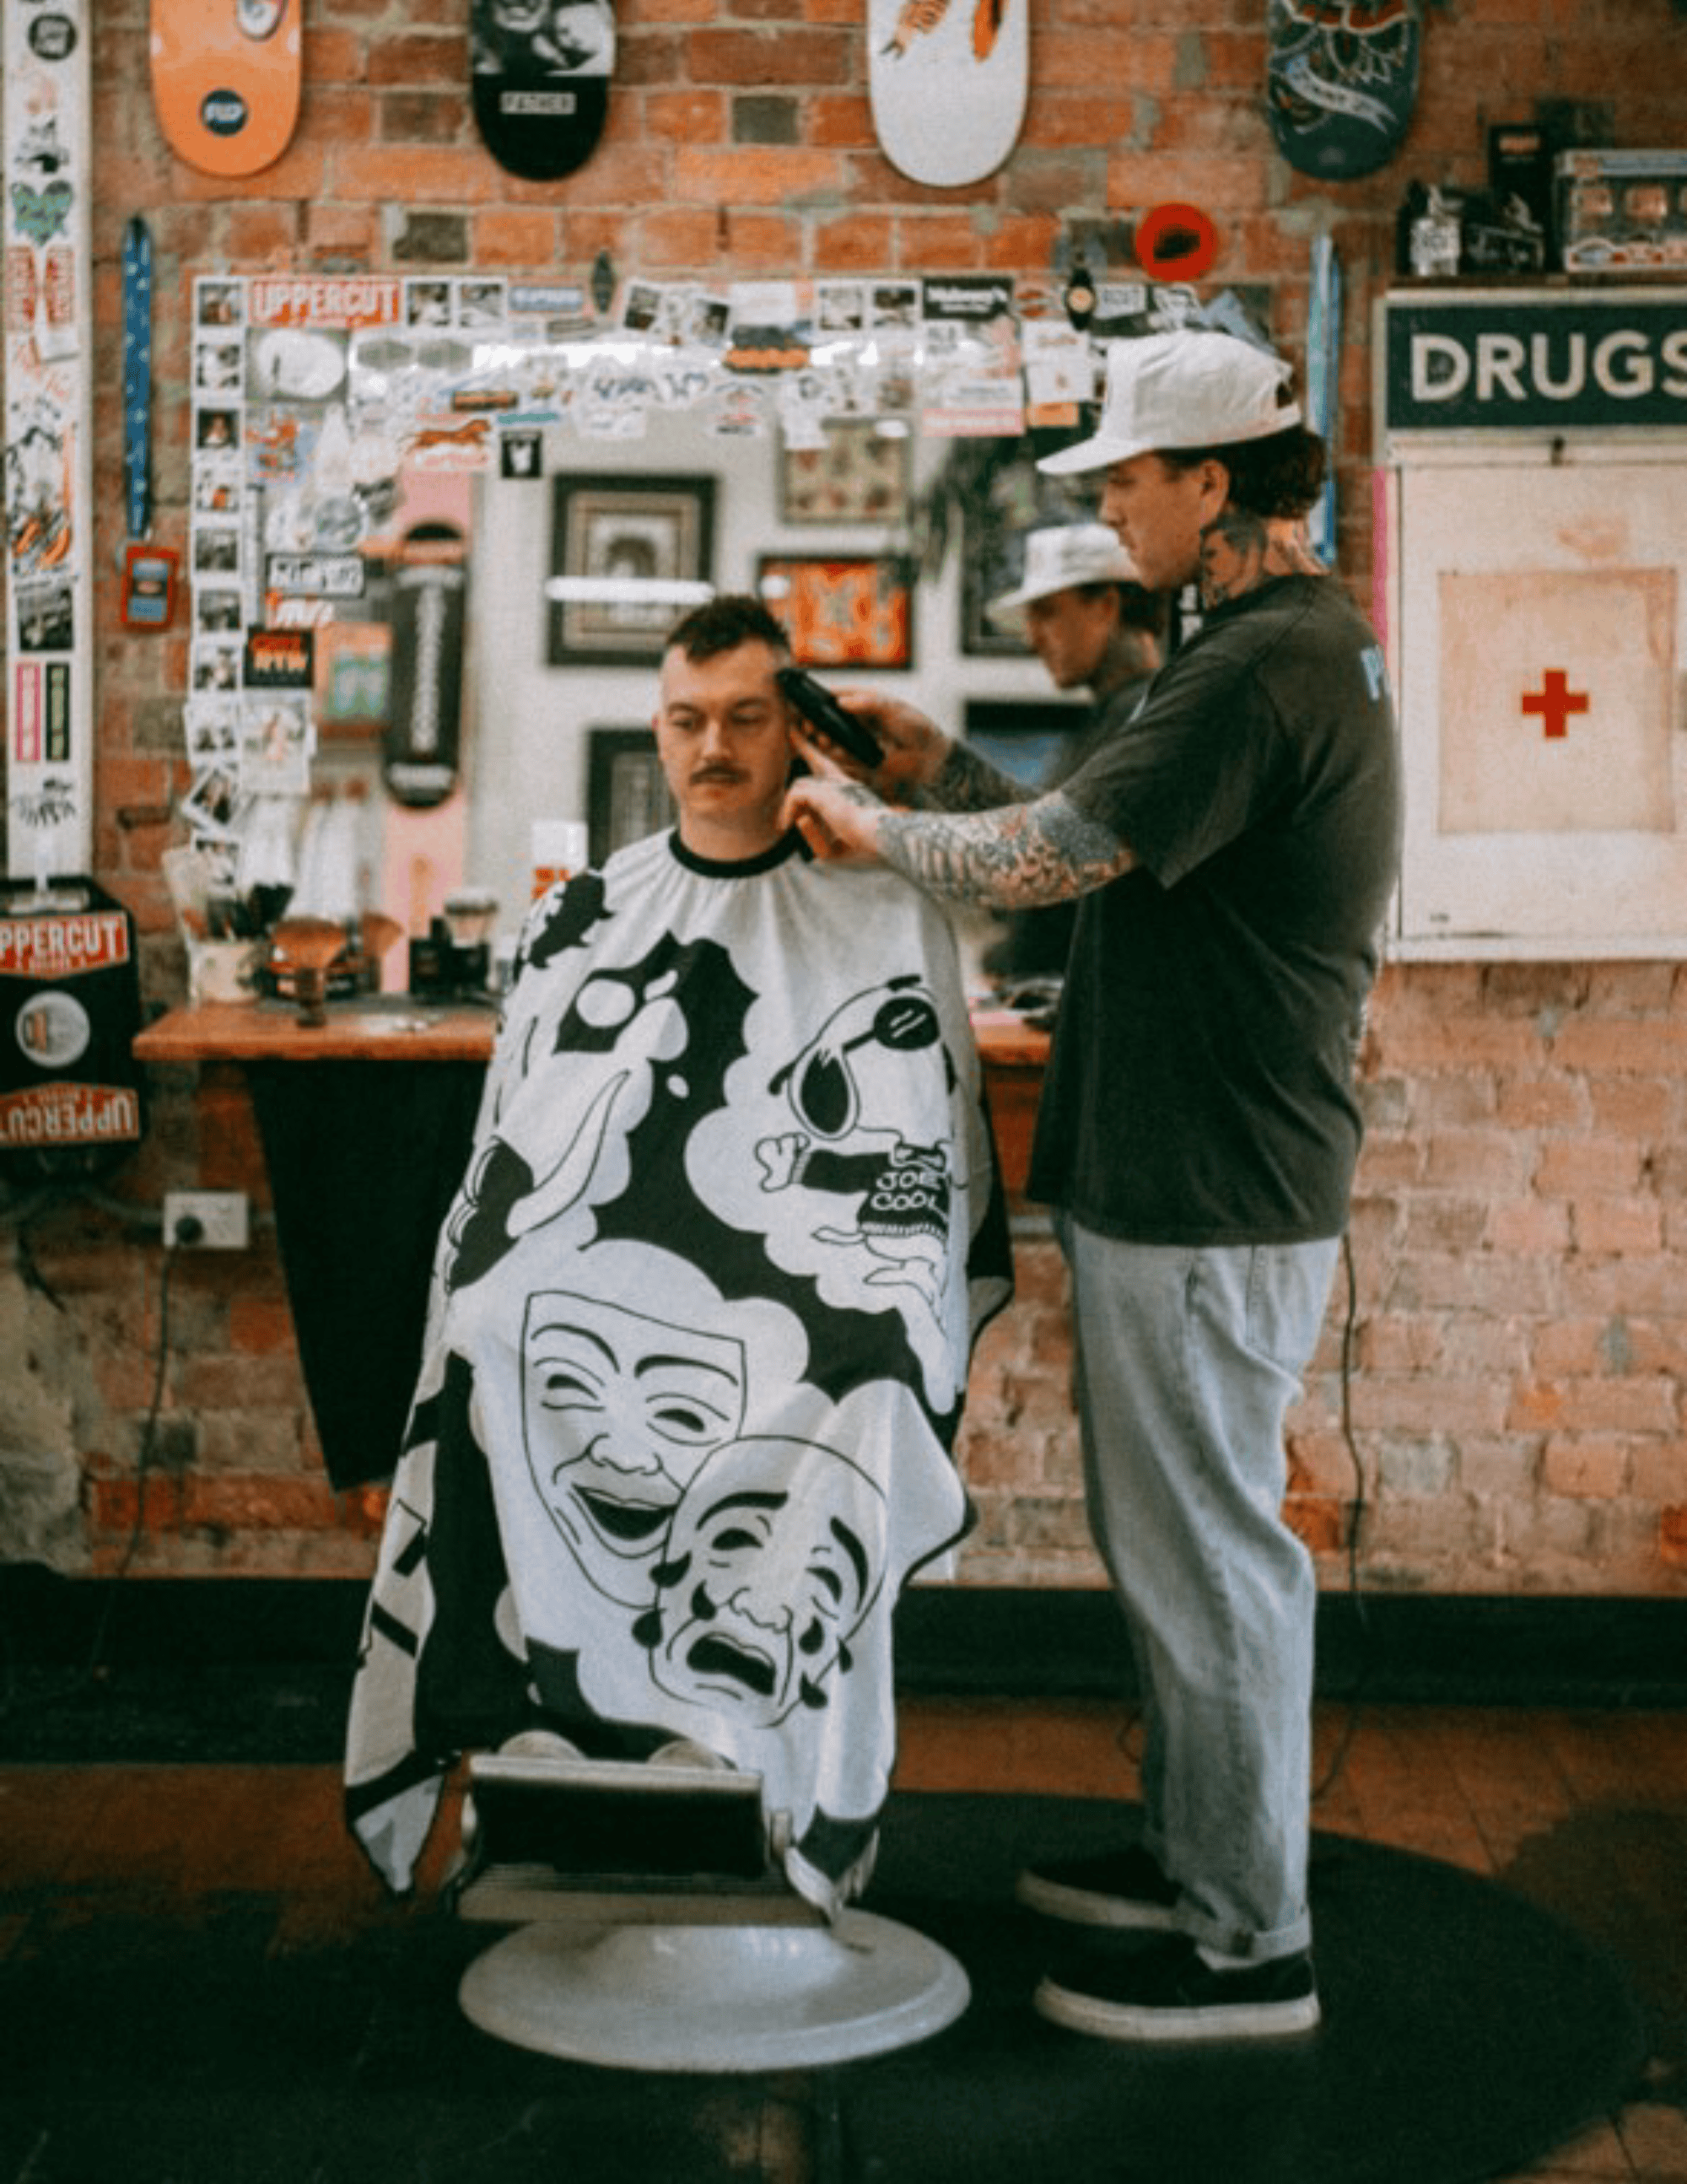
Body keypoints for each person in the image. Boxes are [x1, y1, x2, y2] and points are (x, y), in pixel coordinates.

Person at [783, 330, 1402, 2041]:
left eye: (1127, 479)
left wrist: (877, 834)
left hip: (1211, 1182)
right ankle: (1204, 1855)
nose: (1111, 508)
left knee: (1208, 1560)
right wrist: (935, 779)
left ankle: (1245, 1948)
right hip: (1205, 1168)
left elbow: (1057, 859)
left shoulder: (1253, 666)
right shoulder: (1272, 648)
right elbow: (1113, 859)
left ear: (1213, 485)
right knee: (1182, 1550)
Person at [345, 595, 1011, 1920]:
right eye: (688, 719)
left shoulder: (881, 914)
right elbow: (512, 1168)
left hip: (810, 1313)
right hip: (618, 1305)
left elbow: (917, 1189)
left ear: (799, 734)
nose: (715, 745)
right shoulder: (585, 916)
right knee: (494, 1333)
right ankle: (562, 1756)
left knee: (852, 1384)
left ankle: (766, 1771)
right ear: (657, 728)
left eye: (749, 719)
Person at [977, 520, 1166, 988]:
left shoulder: (1141, 725)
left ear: (1105, 607)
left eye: (1047, 612)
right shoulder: (1113, 719)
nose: (1033, 637)